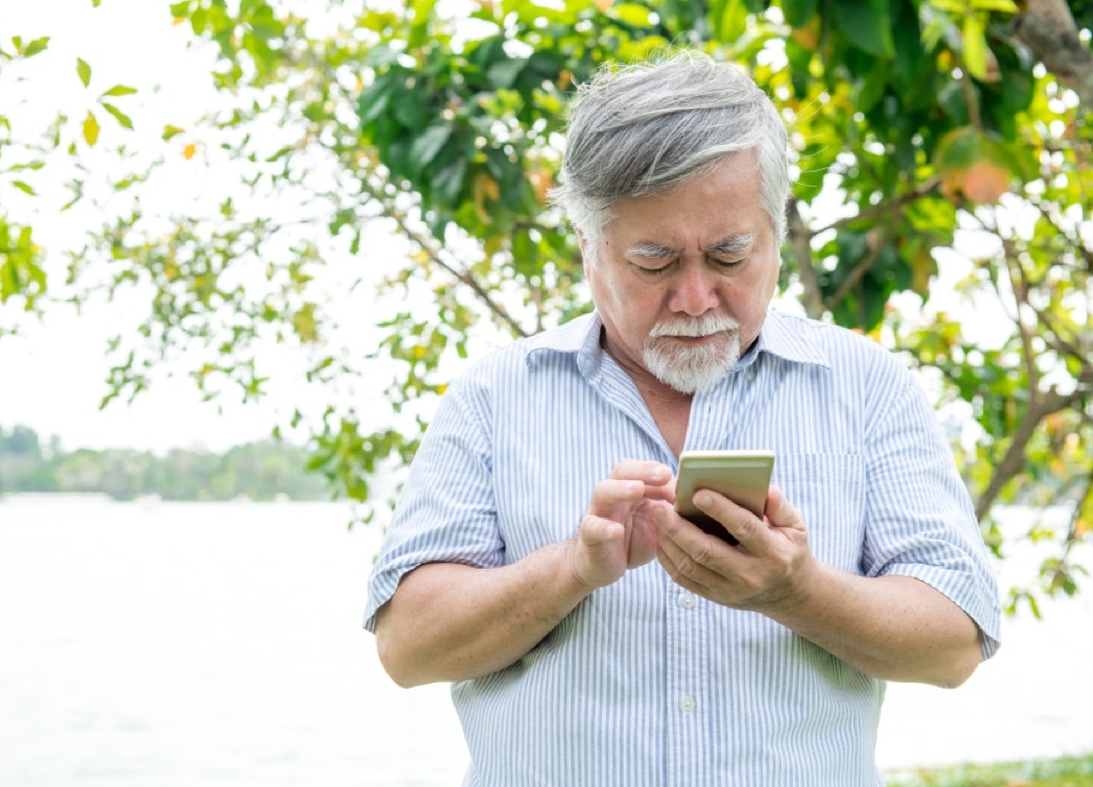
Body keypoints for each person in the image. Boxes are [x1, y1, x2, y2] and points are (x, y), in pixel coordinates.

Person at [363, 50, 1001, 786]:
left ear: (774, 231)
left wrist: (793, 591)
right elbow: (407, 648)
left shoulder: (867, 387)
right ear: (588, 249)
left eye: (730, 255)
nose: (696, 298)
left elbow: (954, 644)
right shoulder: (494, 396)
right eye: (655, 261)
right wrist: (571, 569)